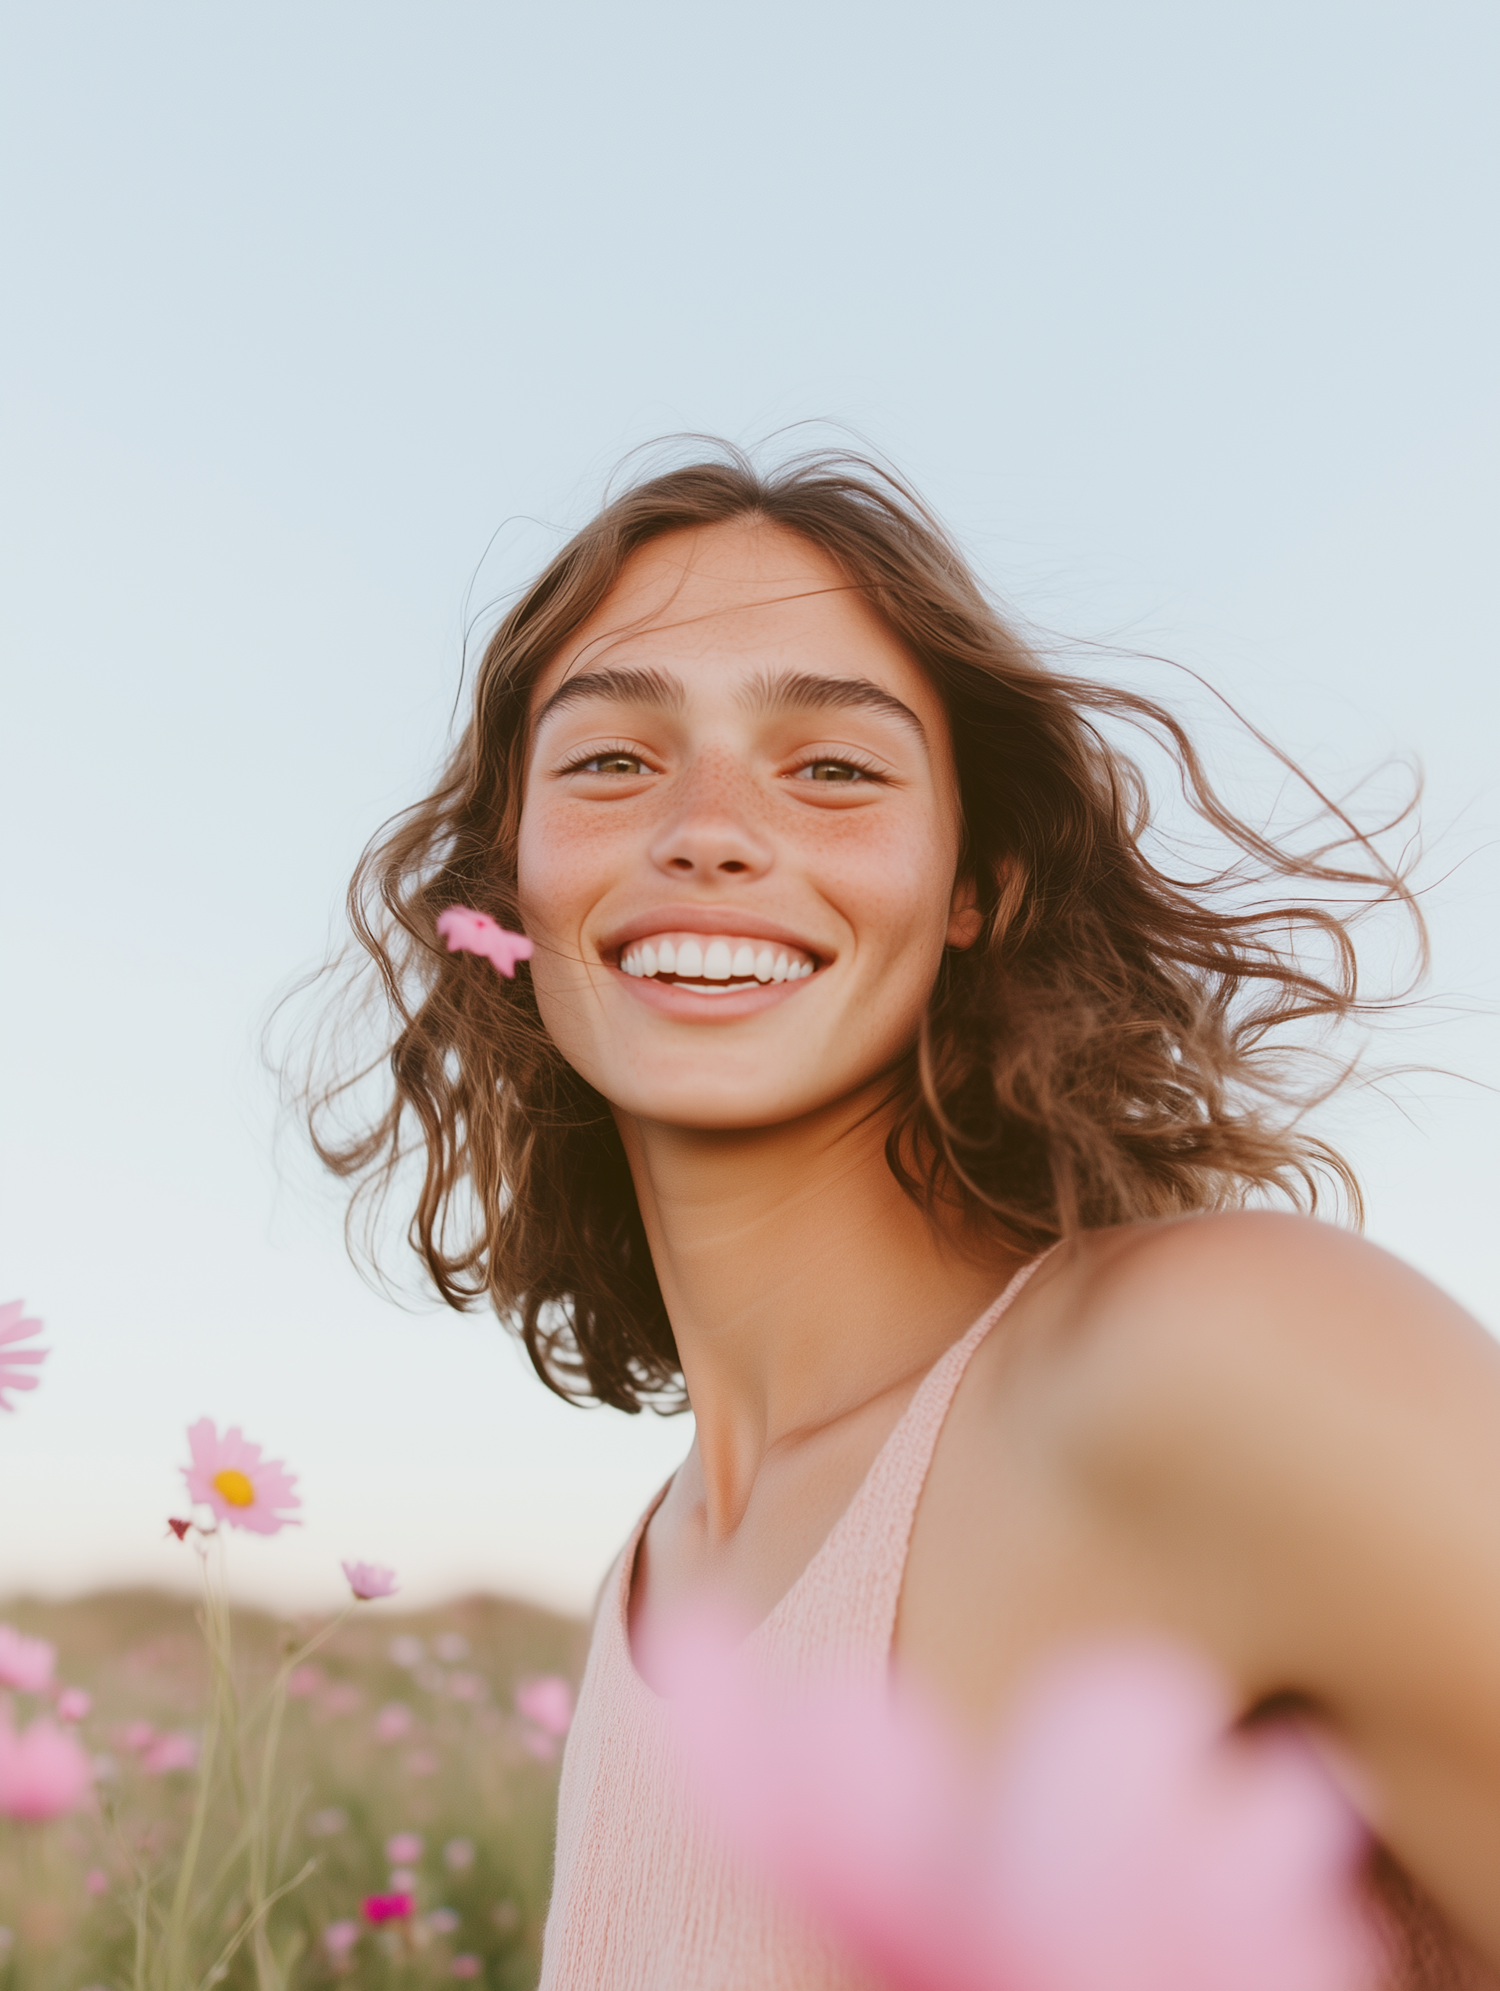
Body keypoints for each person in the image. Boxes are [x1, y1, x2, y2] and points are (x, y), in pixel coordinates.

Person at [305, 446, 1500, 1988]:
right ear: (511, 893)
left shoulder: (1212, 1353)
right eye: (611, 761)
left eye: (836, 767)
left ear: (973, 885)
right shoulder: (644, 1590)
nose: (711, 827)